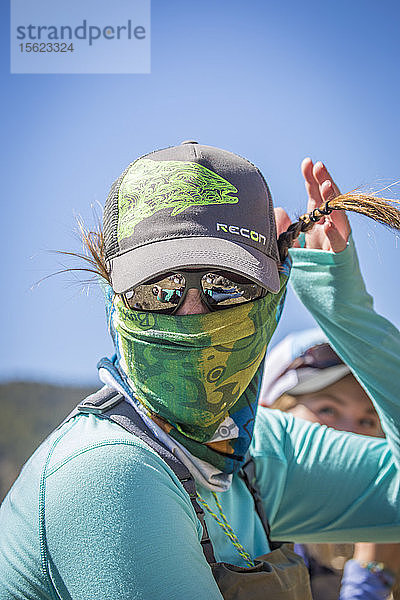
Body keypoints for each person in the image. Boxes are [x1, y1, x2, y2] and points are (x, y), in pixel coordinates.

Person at [1, 141, 400, 600]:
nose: (191, 319)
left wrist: (344, 308)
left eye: (226, 286)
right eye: (160, 289)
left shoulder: (246, 450)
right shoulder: (109, 475)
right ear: (117, 299)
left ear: (275, 296)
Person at [260, 328, 400, 599]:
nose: (350, 435)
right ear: (270, 417)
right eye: (328, 409)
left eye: (369, 421)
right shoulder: (240, 535)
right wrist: (369, 580)